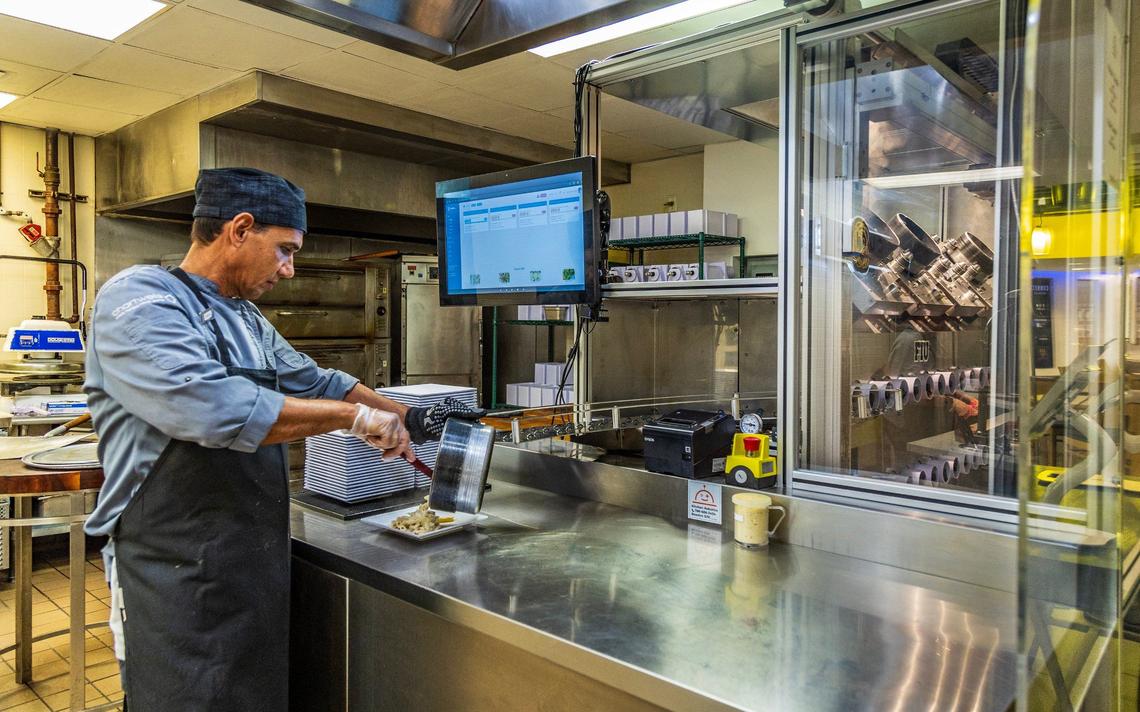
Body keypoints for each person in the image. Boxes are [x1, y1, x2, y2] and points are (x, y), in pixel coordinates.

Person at [83, 167, 481, 711]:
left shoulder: (246, 317)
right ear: (240, 229)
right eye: (285, 250)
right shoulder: (140, 297)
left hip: (248, 554)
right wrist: (351, 420)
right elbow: (206, 405)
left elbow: (318, 380)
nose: (290, 270)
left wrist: (407, 419)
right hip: (172, 564)